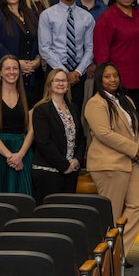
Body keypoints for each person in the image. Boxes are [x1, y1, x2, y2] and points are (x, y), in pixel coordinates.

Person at [84, 62, 139, 255]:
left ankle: (116, 252)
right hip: (109, 164)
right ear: (99, 79)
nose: (112, 79)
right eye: (107, 76)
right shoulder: (95, 103)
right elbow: (104, 133)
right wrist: (133, 148)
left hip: (133, 162)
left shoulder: (126, 100)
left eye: (115, 76)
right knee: (111, 216)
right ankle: (104, 259)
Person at [94, 0, 139, 171]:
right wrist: (107, 79)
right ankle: (120, 162)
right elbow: (101, 52)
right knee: (119, 124)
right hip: (116, 83)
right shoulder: (107, 18)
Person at [39, 0, 95, 110]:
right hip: (55, 71)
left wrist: (78, 72)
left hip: (78, 75)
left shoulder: (87, 17)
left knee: (76, 112)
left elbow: (90, 48)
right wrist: (64, 72)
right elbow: (45, 48)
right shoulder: (47, 15)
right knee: (53, 112)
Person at [31, 68, 86, 202]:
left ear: (68, 85)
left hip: (71, 172)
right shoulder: (41, 109)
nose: (61, 83)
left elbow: (81, 138)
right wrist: (64, 165)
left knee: (66, 217)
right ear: (49, 84)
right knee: (48, 217)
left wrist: (77, 160)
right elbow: (44, 142)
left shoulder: (73, 108)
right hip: (48, 172)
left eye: (64, 80)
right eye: (57, 80)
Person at [0, 54, 34, 195]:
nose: (11, 72)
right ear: (0, 72)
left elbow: (32, 130)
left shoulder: (28, 97)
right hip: (0, 153)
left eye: (15, 68)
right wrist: (10, 156)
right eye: (7, 69)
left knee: (24, 197)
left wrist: (20, 155)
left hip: (23, 151)